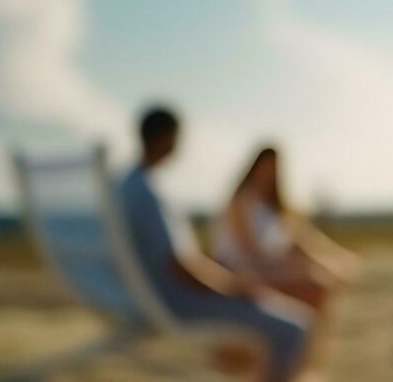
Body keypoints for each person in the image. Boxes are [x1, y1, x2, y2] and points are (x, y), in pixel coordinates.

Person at [117, 106, 314, 382]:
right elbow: (180, 266)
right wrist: (232, 286)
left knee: (271, 310)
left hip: (145, 295)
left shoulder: (125, 186)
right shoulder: (148, 193)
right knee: (297, 327)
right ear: (167, 139)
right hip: (177, 301)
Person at [210, 145, 360, 311]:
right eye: (265, 168)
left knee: (319, 276)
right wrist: (292, 266)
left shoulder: (274, 206)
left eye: (272, 169)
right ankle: (305, 333)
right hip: (240, 269)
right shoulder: (242, 201)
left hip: (266, 265)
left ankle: (306, 332)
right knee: (316, 283)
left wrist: (334, 257)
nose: (268, 174)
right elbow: (251, 252)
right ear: (254, 168)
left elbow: (302, 238)